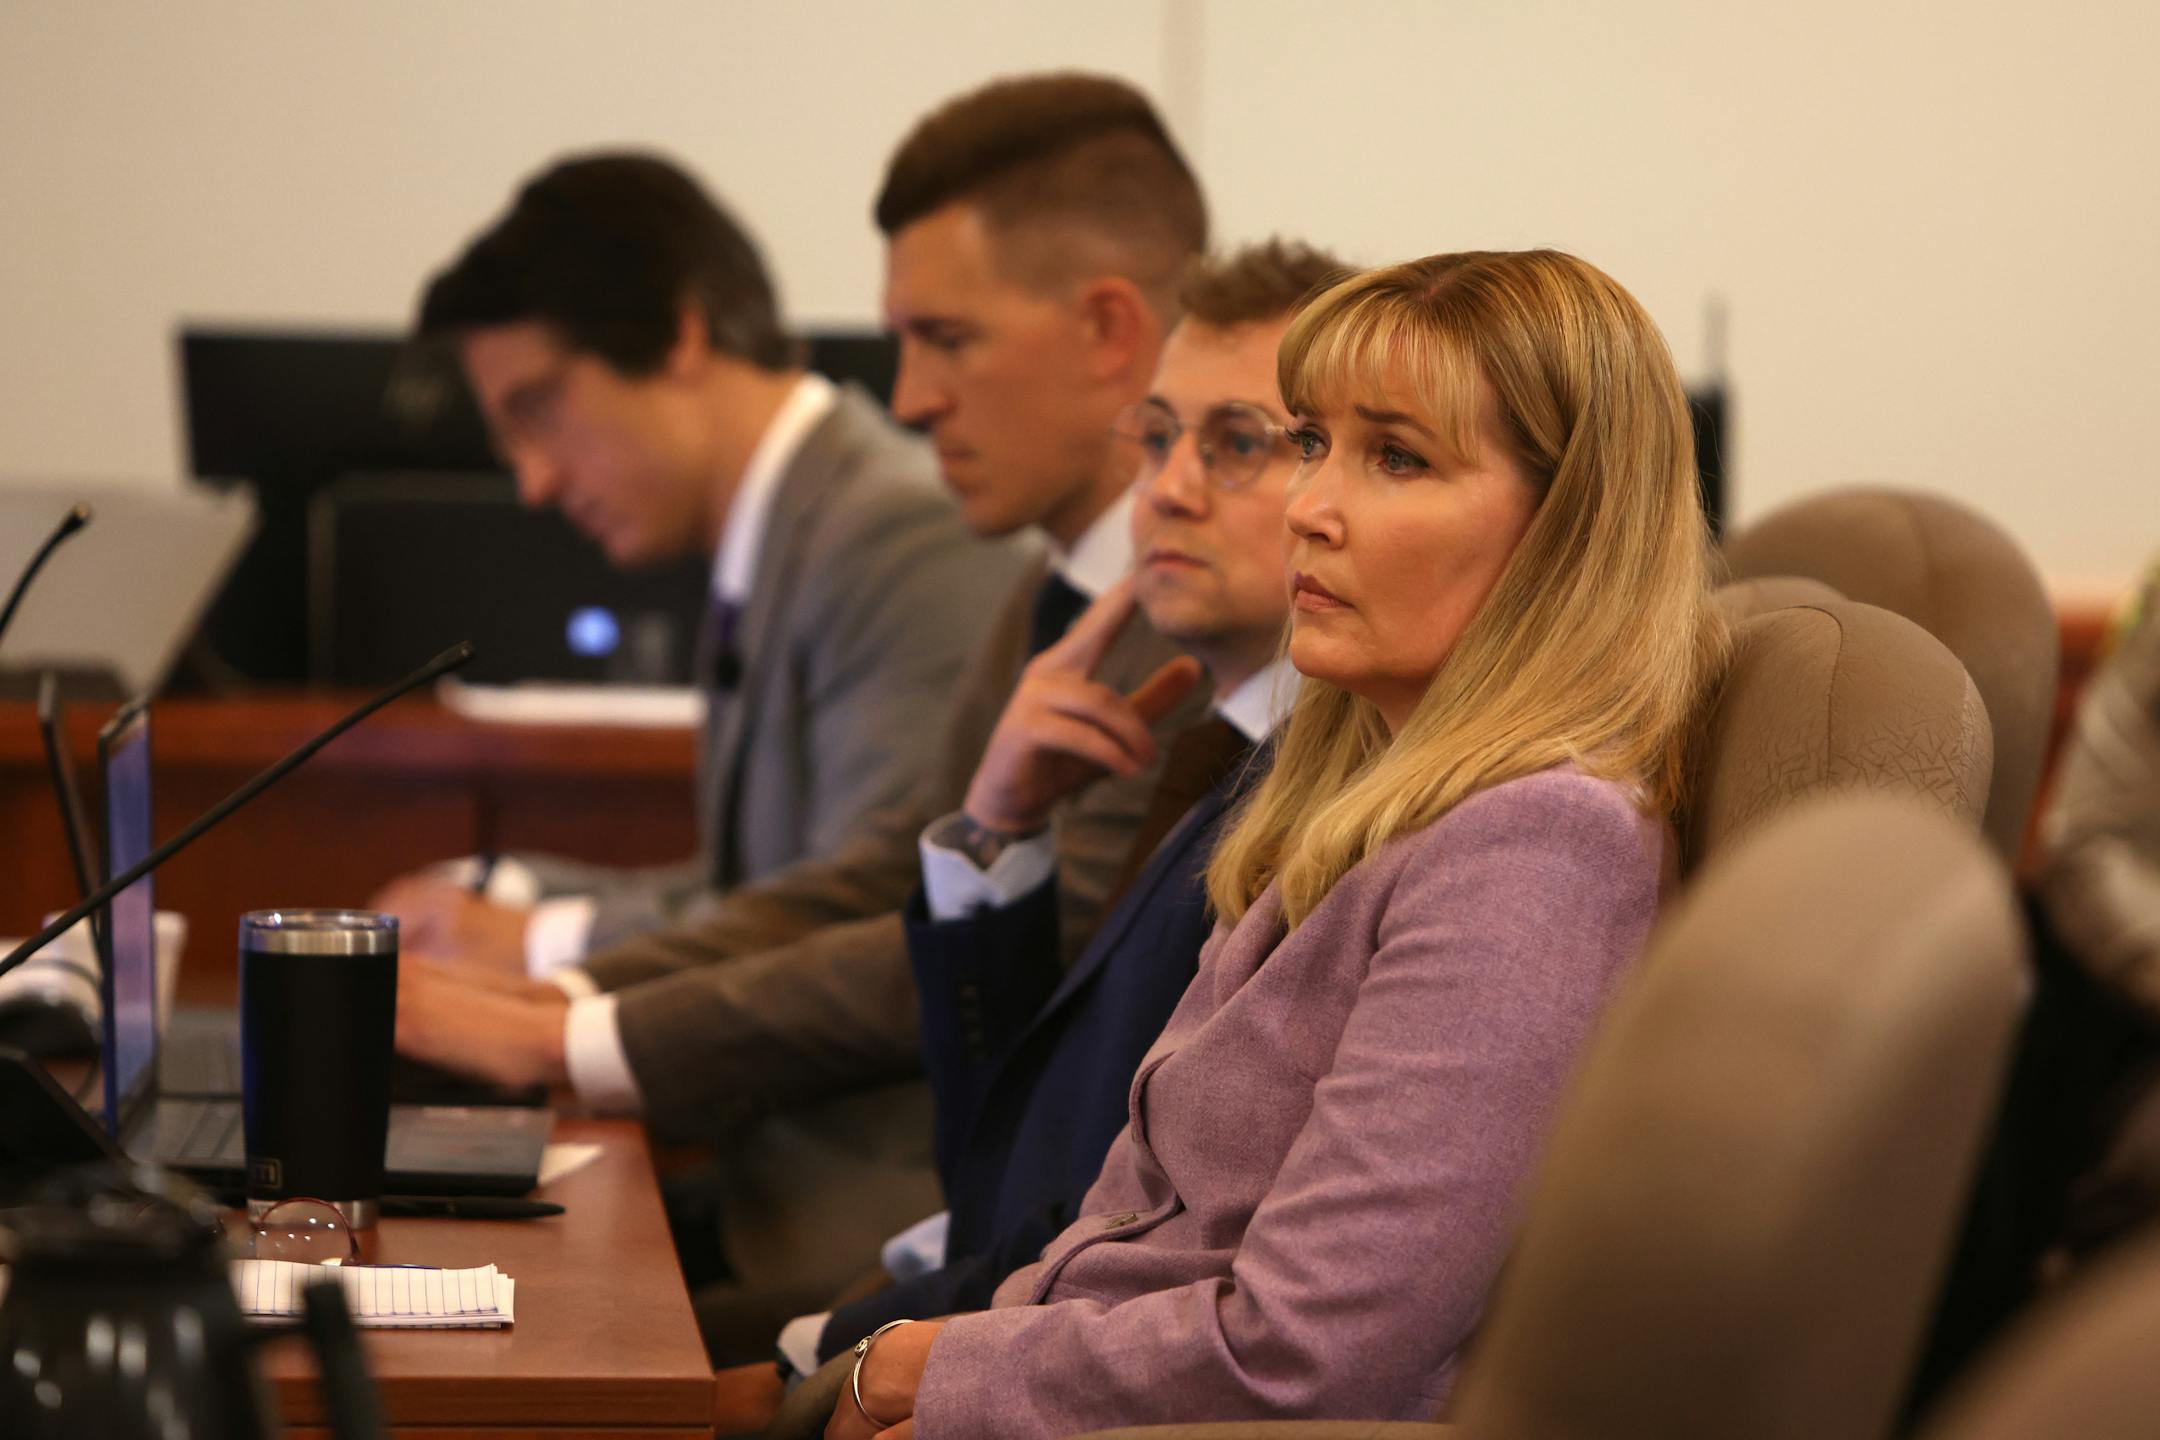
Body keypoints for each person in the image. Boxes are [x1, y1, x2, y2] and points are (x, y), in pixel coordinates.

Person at [821, 249, 1729, 1439]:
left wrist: (922, 1374)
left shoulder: (1537, 848)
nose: (1310, 507)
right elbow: (1130, 1235)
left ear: (1570, 527)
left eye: (1396, 457)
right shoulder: (1366, 794)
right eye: (1312, 443)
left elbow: (1301, 1357)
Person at [390, 73, 1215, 1357]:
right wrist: (568, 1002)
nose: (914, 395)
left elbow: (933, 947)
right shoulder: (1043, 597)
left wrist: (570, 1022)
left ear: (1111, 333)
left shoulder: (1128, 610)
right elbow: (891, 878)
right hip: (934, 1244)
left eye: (947, 339)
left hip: (957, 1252)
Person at [760, 241, 1350, 1380]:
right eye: (1160, 437)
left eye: (1236, 444)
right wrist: (999, 835)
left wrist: (812, 1359)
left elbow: (1110, 1227)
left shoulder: (1328, 804)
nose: (1168, 488)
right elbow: (1015, 1154)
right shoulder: (1212, 749)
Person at [371, 151, 1029, 972]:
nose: (534, 483)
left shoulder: (901, 537)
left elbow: (860, 921)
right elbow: (752, 889)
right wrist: (507, 897)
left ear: (679, 336)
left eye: (537, 411)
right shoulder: (794, 527)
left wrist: (535, 944)